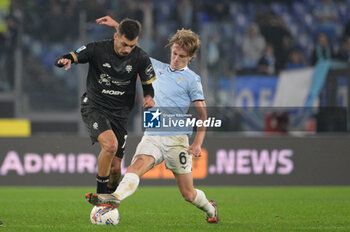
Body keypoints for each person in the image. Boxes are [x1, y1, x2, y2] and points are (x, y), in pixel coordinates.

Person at [85, 16, 219, 224]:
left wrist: (198, 143)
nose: (176, 59)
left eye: (182, 56)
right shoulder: (154, 66)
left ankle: (211, 209)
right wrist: (118, 27)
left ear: (190, 57)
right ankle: (113, 199)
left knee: (188, 194)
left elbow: (203, 116)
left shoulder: (193, 80)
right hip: (153, 134)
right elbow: (131, 47)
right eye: (174, 53)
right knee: (134, 169)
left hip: (177, 139)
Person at [54, 18, 156, 194]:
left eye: (131, 46)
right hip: (95, 107)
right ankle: (101, 197)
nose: (127, 50)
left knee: (116, 170)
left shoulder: (140, 57)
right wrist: (64, 60)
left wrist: (148, 97)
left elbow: (148, 86)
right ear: (115, 36)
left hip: (120, 114)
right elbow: (72, 55)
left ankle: (108, 200)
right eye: (124, 44)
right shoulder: (97, 49)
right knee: (110, 146)